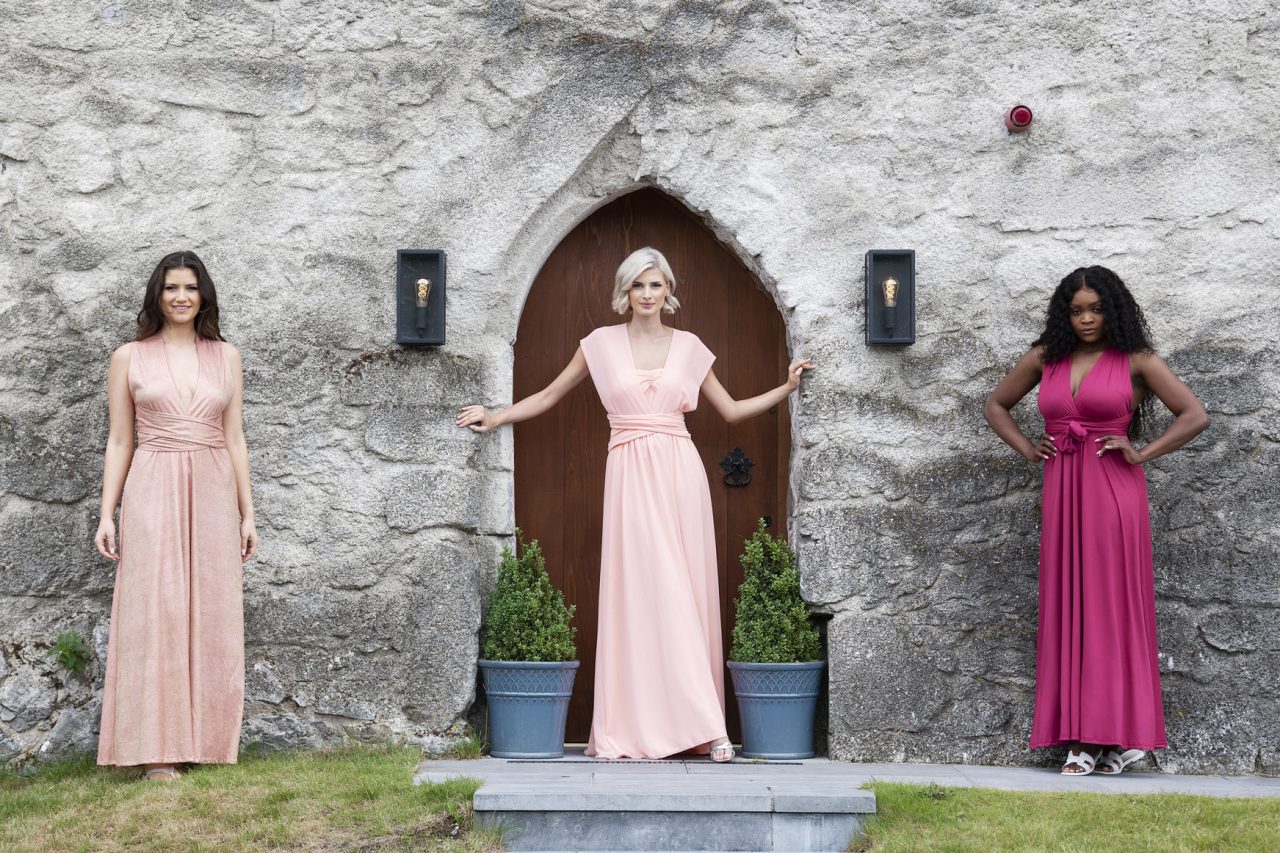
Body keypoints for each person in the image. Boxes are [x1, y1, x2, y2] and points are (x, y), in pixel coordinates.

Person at [458, 247, 813, 761]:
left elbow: (732, 410)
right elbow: (550, 396)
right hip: (627, 470)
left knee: (682, 590)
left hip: (679, 471)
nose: (647, 294)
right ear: (624, 293)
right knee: (642, 595)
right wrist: (495, 416)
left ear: (669, 291)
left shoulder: (690, 347)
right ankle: (638, 724)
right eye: (637, 286)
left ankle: (706, 726)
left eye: (655, 285)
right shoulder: (599, 344)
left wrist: (787, 387)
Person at [984, 266, 1209, 776]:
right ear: (1064, 315)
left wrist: (1141, 453)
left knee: (1107, 608)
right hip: (1062, 490)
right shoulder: (1046, 357)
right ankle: (1098, 741)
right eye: (1076, 311)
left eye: (1097, 309)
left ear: (1114, 310)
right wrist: (1027, 447)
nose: (1087, 319)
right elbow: (996, 405)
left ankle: (1099, 739)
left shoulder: (1137, 359)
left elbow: (1195, 414)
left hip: (1112, 493)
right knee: (1069, 605)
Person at [94, 251, 256, 781]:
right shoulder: (129, 357)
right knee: (155, 609)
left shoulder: (226, 356)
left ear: (203, 294)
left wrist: (247, 513)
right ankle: (156, 751)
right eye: (170, 288)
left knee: (212, 607)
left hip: (212, 484)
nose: (181, 297)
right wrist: (107, 513)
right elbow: (120, 440)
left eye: (189, 287)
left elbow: (235, 438)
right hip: (153, 482)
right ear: (157, 296)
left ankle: (205, 739)